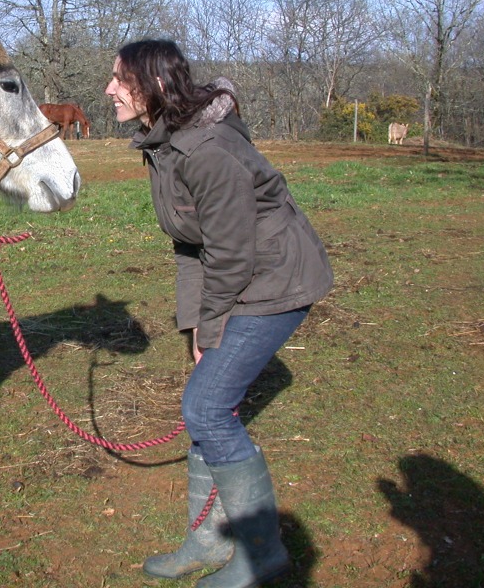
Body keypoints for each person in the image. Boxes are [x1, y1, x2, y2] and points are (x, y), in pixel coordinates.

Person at [105, 40, 333, 588]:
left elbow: (230, 253)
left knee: (205, 408)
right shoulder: (165, 145)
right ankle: (207, 540)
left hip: (277, 280)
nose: (109, 89)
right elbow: (190, 247)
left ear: (155, 86)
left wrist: (214, 323)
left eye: (120, 79)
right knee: (208, 408)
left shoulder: (207, 151)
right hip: (242, 278)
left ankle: (262, 556)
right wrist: (197, 327)